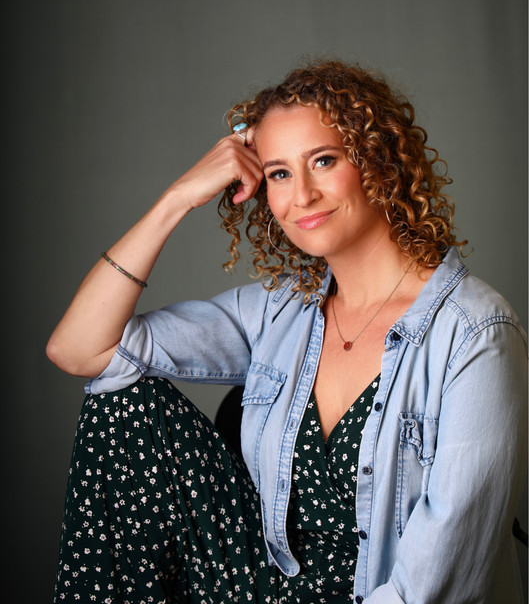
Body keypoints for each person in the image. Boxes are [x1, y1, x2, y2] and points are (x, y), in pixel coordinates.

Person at [47, 61, 527, 604]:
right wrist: (177, 198)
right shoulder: (282, 311)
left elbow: (437, 586)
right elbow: (80, 349)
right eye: (278, 173)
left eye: (323, 160)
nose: (302, 195)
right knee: (124, 406)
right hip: (266, 587)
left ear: (379, 161)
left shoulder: (476, 332)